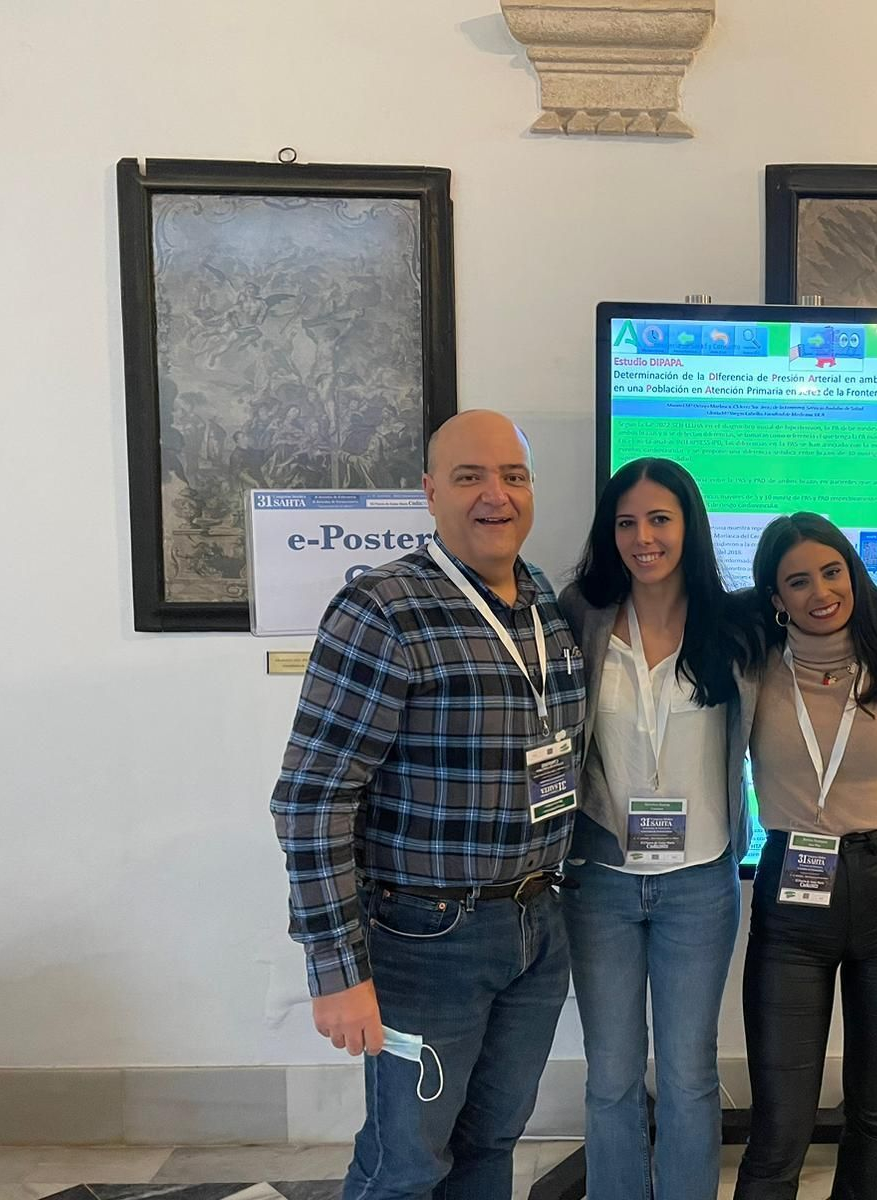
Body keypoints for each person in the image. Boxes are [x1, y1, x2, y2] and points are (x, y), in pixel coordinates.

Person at [559, 461, 877, 1200]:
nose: (645, 537)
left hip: (724, 879)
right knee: (617, 1076)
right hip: (614, 876)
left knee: (693, 1075)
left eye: (662, 519)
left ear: (690, 527)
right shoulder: (587, 617)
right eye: (628, 522)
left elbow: (861, 655)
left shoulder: (733, 624)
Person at [271, 410, 586, 1200]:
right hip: (427, 938)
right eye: (470, 476)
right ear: (429, 492)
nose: (496, 496)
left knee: (492, 1146)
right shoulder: (382, 610)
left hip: (536, 930)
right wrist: (337, 970)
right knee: (406, 1165)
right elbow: (312, 799)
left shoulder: (542, 600)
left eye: (513, 476)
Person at [735, 513, 877, 1200]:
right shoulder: (750, 668)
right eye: (797, 581)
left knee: (874, 1109)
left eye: (832, 572)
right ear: (775, 598)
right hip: (790, 900)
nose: (820, 592)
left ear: (854, 576)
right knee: (780, 1123)